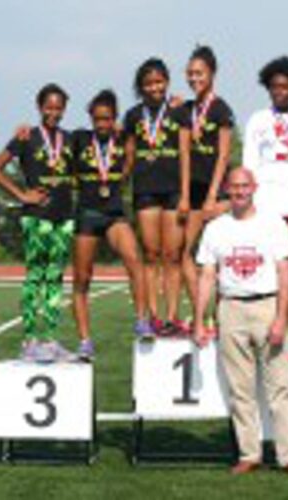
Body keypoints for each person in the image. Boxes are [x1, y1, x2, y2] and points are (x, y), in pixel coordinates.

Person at [194, 167, 288, 476]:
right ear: (226, 188)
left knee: (280, 388)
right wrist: (198, 319)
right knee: (240, 389)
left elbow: (285, 273)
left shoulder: (272, 223)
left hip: (266, 305)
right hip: (231, 308)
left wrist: (281, 319)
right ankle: (250, 454)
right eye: (234, 186)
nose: (239, 191)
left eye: (245, 185)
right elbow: (207, 275)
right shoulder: (216, 228)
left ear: (254, 187)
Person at [0, 83, 75, 362]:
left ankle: (51, 339)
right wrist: (20, 194)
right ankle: (29, 340)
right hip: (36, 218)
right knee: (34, 277)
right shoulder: (26, 137)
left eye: (59, 107)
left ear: (65, 108)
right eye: (49, 106)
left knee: (55, 279)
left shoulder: (70, 138)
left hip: (64, 219)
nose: (54, 111)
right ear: (39, 106)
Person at [72, 90, 152, 361]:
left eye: (107, 119)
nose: (102, 124)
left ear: (114, 118)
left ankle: (142, 321)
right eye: (97, 119)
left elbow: (146, 131)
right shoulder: (79, 139)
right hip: (88, 213)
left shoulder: (124, 136)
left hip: (115, 213)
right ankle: (85, 341)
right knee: (82, 279)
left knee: (134, 260)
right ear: (91, 118)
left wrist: (178, 104)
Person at [243, 56, 288, 324]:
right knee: (262, 270)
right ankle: (261, 327)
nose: (279, 91)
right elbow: (249, 166)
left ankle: (283, 329)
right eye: (274, 86)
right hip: (265, 207)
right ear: (268, 87)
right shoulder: (257, 120)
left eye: (285, 86)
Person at [123, 58, 184, 334]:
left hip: (173, 189)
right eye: (148, 83)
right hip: (145, 189)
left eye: (159, 82)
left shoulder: (179, 110)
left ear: (167, 82)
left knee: (172, 255)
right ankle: (151, 317)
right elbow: (128, 154)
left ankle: (172, 316)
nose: (154, 87)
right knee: (150, 254)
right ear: (141, 86)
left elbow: (186, 152)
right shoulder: (133, 115)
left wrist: (185, 193)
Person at [179, 45, 234, 331]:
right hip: (194, 193)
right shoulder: (186, 109)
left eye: (199, 73)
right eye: (189, 73)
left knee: (220, 259)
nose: (193, 78)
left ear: (212, 74)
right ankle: (200, 314)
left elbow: (224, 155)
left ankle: (220, 316)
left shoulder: (221, 109)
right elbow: (185, 153)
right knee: (184, 253)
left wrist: (214, 196)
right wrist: (187, 195)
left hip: (217, 193)